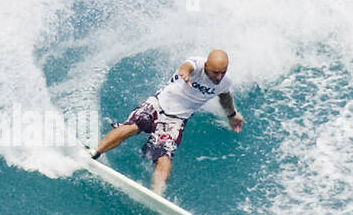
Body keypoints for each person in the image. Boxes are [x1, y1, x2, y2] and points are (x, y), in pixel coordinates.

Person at [90, 49, 244, 195]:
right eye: (215, 72)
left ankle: (156, 194)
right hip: (158, 104)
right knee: (132, 127)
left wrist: (232, 115)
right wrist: (184, 72)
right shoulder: (197, 64)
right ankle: (94, 153)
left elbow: (225, 97)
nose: (218, 77)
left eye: (222, 73)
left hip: (176, 120)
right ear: (206, 66)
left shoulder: (225, 82)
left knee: (165, 157)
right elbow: (187, 66)